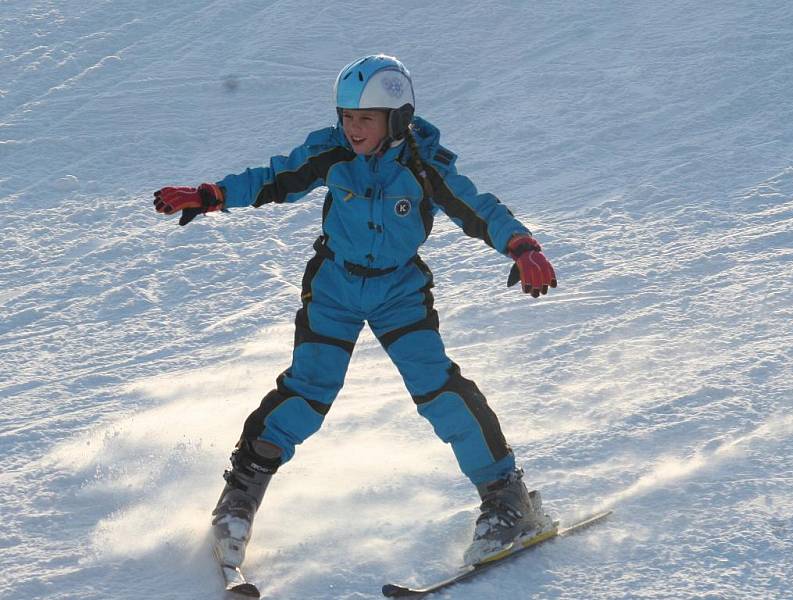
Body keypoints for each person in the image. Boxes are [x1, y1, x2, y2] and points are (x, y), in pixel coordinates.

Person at [153, 54, 558, 568]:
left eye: (365, 118)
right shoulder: (331, 153)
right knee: (307, 391)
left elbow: (478, 208)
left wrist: (521, 246)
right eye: (346, 116)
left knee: (439, 390)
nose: (352, 128)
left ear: (398, 119)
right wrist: (213, 195)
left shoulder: (422, 164)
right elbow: (274, 178)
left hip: (399, 291)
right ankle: (238, 500)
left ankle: (506, 499)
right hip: (335, 286)